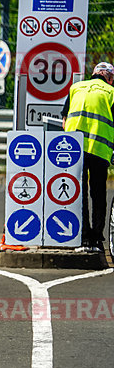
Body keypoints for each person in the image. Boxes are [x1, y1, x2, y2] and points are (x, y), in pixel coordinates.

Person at [62, 62, 114, 252]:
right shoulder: (111, 92)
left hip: (74, 149)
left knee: (79, 192)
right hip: (99, 150)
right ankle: (96, 239)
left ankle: (82, 236)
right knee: (98, 193)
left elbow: (64, 120)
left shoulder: (75, 88)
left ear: (93, 75)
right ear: (109, 78)